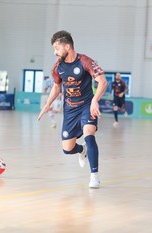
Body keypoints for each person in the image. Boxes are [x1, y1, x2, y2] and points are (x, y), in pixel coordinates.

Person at [38, 30, 108, 189]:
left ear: (67, 47)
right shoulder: (57, 67)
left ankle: (94, 176)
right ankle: (81, 150)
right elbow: (56, 88)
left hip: (86, 106)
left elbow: (102, 82)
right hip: (69, 110)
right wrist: (47, 105)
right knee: (67, 149)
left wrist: (95, 101)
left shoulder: (85, 61)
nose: (55, 52)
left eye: (57, 48)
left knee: (89, 133)